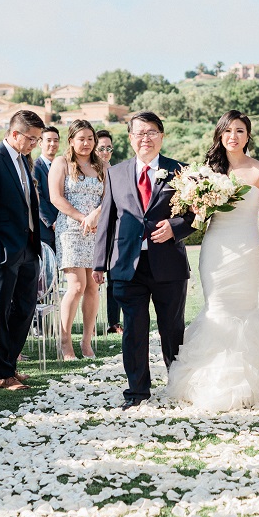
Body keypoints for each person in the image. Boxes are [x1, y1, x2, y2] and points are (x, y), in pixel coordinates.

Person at [166, 110, 259, 410]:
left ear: (248, 136)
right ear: (220, 134)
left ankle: (256, 375)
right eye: (228, 130)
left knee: (244, 308)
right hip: (216, 249)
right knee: (217, 307)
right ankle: (214, 376)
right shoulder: (206, 173)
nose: (234, 136)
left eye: (240, 130)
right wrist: (198, 201)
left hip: (246, 249)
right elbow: (195, 216)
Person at [92, 111, 195, 410]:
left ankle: (178, 386)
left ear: (161, 136)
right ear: (130, 138)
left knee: (172, 330)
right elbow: (108, 220)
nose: (145, 138)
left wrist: (175, 228)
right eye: (139, 133)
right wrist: (100, 263)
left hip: (168, 266)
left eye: (151, 132)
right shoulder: (115, 173)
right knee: (133, 330)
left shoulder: (182, 172)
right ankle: (137, 392)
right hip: (127, 265)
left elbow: (196, 215)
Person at [0, 110, 43, 391]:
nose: (33, 144)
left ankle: (10, 365)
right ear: (15, 134)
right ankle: (2, 373)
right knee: (0, 311)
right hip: (4, 249)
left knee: (25, 308)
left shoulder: (22, 160)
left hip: (27, 246)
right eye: (31, 139)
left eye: (36, 140)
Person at [49, 120, 103, 360]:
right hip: (70, 229)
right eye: (81, 139)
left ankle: (87, 342)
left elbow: (111, 196)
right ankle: (65, 340)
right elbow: (55, 197)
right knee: (77, 286)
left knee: (93, 285)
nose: (86, 143)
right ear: (71, 140)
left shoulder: (102, 165)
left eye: (90, 138)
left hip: (97, 230)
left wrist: (96, 216)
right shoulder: (61, 163)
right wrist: (83, 217)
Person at [95, 129, 122, 334]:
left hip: (112, 231)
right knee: (91, 281)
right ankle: (91, 324)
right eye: (101, 148)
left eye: (108, 148)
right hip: (91, 229)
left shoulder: (115, 171)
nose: (105, 152)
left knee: (114, 279)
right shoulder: (88, 171)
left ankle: (114, 322)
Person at [33, 126, 60, 252]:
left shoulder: (62, 166)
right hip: (45, 229)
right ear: (40, 143)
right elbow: (38, 197)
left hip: (63, 227)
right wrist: (52, 222)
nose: (52, 144)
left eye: (56, 140)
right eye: (48, 140)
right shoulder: (34, 167)